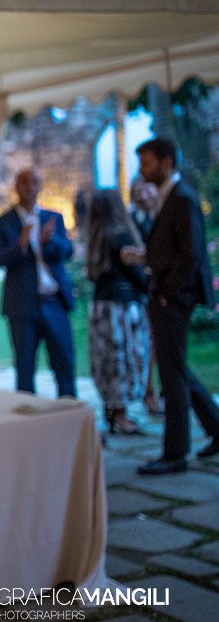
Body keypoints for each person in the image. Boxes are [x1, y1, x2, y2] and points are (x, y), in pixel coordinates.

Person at [129, 138, 219, 475]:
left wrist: (168, 293)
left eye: (147, 162)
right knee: (176, 368)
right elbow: (173, 249)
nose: (141, 169)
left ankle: (174, 454)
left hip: (173, 298)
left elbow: (192, 254)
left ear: (167, 162)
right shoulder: (170, 198)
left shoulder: (182, 198)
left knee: (172, 377)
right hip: (166, 294)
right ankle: (215, 427)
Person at [0, 169, 77, 398]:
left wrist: (49, 241)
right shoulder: (3, 222)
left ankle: (69, 416)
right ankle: (27, 423)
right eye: (24, 182)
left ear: (40, 186)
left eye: (34, 182)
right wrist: (21, 244)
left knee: (64, 364)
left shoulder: (53, 218)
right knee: (25, 368)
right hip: (22, 305)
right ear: (16, 187)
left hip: (54, 301)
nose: (29, 187)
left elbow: (68, 251)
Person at [85, 190, 150, 436]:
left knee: (107, 361)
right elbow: (135, 269)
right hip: (120, 307)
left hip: (102, 307)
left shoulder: (97, 238)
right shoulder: (120, 236)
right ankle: (121, 414)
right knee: (121, 360)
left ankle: (111, 411)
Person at [130, 176, 163, 415]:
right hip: (143, 290)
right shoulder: (133, 221)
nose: (142, 195)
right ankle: (148, 391)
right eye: (137, 191)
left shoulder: (164, 216)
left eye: (146, 189)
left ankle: (163, 391)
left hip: (164, 289)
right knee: (147, 344)